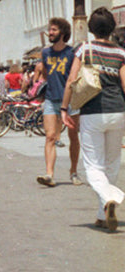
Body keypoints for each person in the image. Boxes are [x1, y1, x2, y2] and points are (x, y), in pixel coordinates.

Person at [62, 8, 125, 231]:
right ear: (111, 29)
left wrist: (64, 108)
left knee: (93, 166)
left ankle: (110, 196)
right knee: (111, 163)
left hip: (92, 112)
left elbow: (72, 78)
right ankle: (102, 213)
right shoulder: (120, 53)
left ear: (91, 28)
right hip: (117, 111)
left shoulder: (84, 49)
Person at [37, 17, 81, 188]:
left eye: (54, 30)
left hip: (70, 101)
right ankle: (49, 174)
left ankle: (73, 171)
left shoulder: (72, 54)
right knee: (50, 137)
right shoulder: (46, 53)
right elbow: (47, 75)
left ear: (62, 32)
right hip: (51, 99)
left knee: (73, 137)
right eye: (50, 29)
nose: (50, 32)